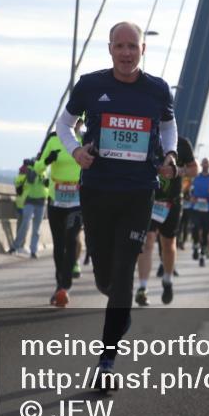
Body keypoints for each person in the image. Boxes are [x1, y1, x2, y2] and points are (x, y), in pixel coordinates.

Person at [57, 21, 179, 390]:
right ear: (110, 48)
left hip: (139, 191)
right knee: (105, 277)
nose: (126, 52)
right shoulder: (90, 85)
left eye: (133, 46)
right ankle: (120, 306)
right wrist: (76, 151)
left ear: (143, 49)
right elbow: (64, 125)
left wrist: (170, 155)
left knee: (125, 270)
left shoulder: (158, 89)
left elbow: (167, 127)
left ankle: (106, 362)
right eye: (119, 46)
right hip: (97, 190)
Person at [136, 136, 198, 306]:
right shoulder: (147, 138)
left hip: (172, 203)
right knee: (147, 242)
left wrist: (178, 171)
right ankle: (142, 288)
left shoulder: (182, 143)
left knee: (168, 244)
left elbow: (194, 169)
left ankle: (167, 280)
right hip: (149, 200)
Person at [37, 117, 85, 307]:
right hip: (55, 200)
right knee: (59, 245)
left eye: (80, 121)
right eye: (74, 121)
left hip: (76, 202)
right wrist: (47, 160)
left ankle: (66, 285)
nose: (76, 124)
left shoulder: (85, 141)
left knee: (71, 239)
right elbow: (38, 167)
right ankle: (59, 284)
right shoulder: (53, 139)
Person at [11, 157, 49, 257]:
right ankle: (15, 246)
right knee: (25, 224)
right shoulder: (31, 170)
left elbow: (47, 184)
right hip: (30, 201)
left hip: (41, 202)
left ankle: (33, 251)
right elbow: (30, 180)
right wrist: (35, 168)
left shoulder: (44, 171)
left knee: (36, 229)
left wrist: (46, 181)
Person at [191, 158, 209, 265]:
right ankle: (196, 245)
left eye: (207, 163)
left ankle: (202, 255)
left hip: (208, 208)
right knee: (195, 228)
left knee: (205, 232)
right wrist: (191, 197)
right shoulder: (196, 177)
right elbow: (189, 189)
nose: (205, 164)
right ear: (201, 164)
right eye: (204, 162)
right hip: (196, 207)